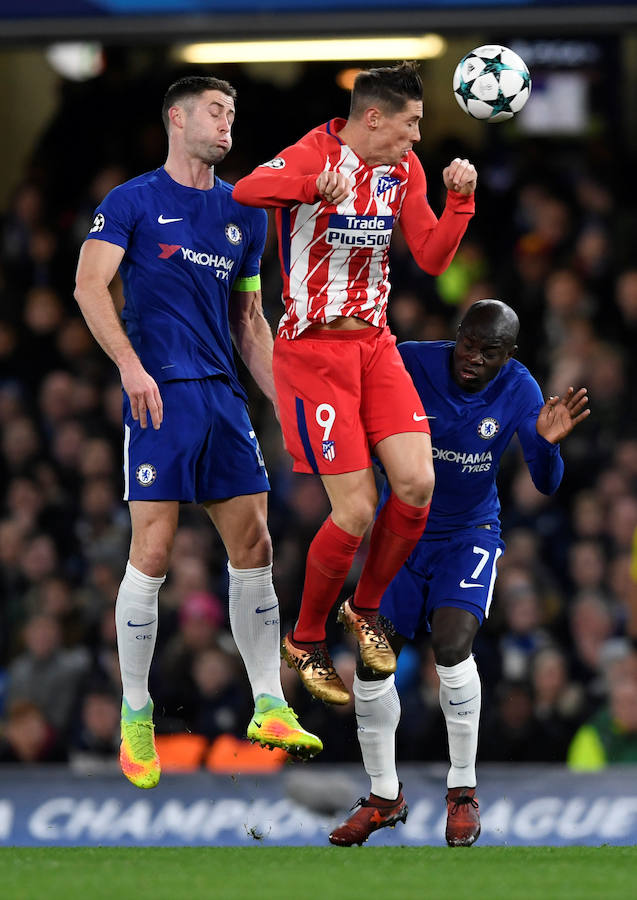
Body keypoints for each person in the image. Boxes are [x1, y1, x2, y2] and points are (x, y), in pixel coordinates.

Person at [73, 75, 322, 791]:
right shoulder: (133, 201)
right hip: (160, 397)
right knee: (151, 552)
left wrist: (284, 407)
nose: (227, 123)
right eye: (216, 111)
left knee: (257, 545)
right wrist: (129, 366)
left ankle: (268, 703)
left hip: (222, 398)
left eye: (233, 113)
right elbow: (90, 286)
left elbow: (250, 321)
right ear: (176, 119)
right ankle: (136, 715)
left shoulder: (240, 211)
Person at [233, 62, 477, 703]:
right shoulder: (315, 152)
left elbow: (430, 255)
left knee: (419, 483)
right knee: (357, 509)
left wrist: (459, 202)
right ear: (374, 117)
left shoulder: (405, 170)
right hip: (314, 352)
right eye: (412, 123)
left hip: (375, 344)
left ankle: (363, 611)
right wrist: (314, 185)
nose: (418, 137)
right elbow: (248, 190)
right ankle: (306, 638)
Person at [327, 299, 590, 848]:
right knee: (372, 663)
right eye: (467, 342)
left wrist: (545, 445)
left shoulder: (520, 388)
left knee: (451, 647)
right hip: (401, 532)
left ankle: (462, 791)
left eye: (488, 351)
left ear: (508, 355)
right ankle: (383, 796)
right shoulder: (413, 362)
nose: (471, 357)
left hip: (469, 535)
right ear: (457, 335)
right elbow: (355, 398)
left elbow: (544, 483)